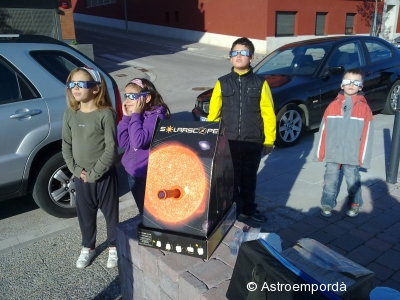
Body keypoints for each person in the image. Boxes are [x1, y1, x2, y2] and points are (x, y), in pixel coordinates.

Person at [207, 37, 276, 222]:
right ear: (230, 58)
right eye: (234, 53)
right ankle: (232, 211)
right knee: (230, 181)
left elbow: (268, 114)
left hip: (252, 142)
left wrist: (269, 140)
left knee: (249, 180)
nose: (238, 56)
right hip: (229, 143)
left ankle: (248, 210)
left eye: (243, 53)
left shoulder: (261, 83)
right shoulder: (222, 83)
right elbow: (213, 115)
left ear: (251, 57)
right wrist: (211, 137)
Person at [62, 67, 119, 269]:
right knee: (85, 215)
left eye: (81, 84)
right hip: (81, 177)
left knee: (111, 214)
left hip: (103, 176)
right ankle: (88, 246)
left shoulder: (105, 114)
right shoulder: (70, 114)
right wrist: (77, 171)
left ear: (96, 88)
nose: (75, 88)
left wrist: (95, 174)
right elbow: (66, 146)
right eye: (72, 84)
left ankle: (114, 246)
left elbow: (112, 148)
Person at [315, 68, 374, 218]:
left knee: (352, 180)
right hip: (333, 152)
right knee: (330, 180)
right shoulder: (332, 106)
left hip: (352, 154)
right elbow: (324, 130)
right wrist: (320, 153)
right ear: (342, 84)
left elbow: (367, 136)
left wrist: (363, 159)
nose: (351, 84)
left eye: (356, 82)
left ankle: (355, 203)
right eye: (348, 81)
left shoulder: (364, 108)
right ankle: (327, 203)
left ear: (361, 86)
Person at [117, 78, 170, 215]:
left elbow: (139, 141)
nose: (127, 100)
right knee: (143, 211)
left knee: (150, 213)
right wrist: (126, 118)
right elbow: (123, 143)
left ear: (147, 98)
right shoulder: (136, 116)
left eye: (132, 96)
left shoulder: (156, 116)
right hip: (132, 172)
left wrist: (135, 115)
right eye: (126, 96)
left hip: (147, 175)